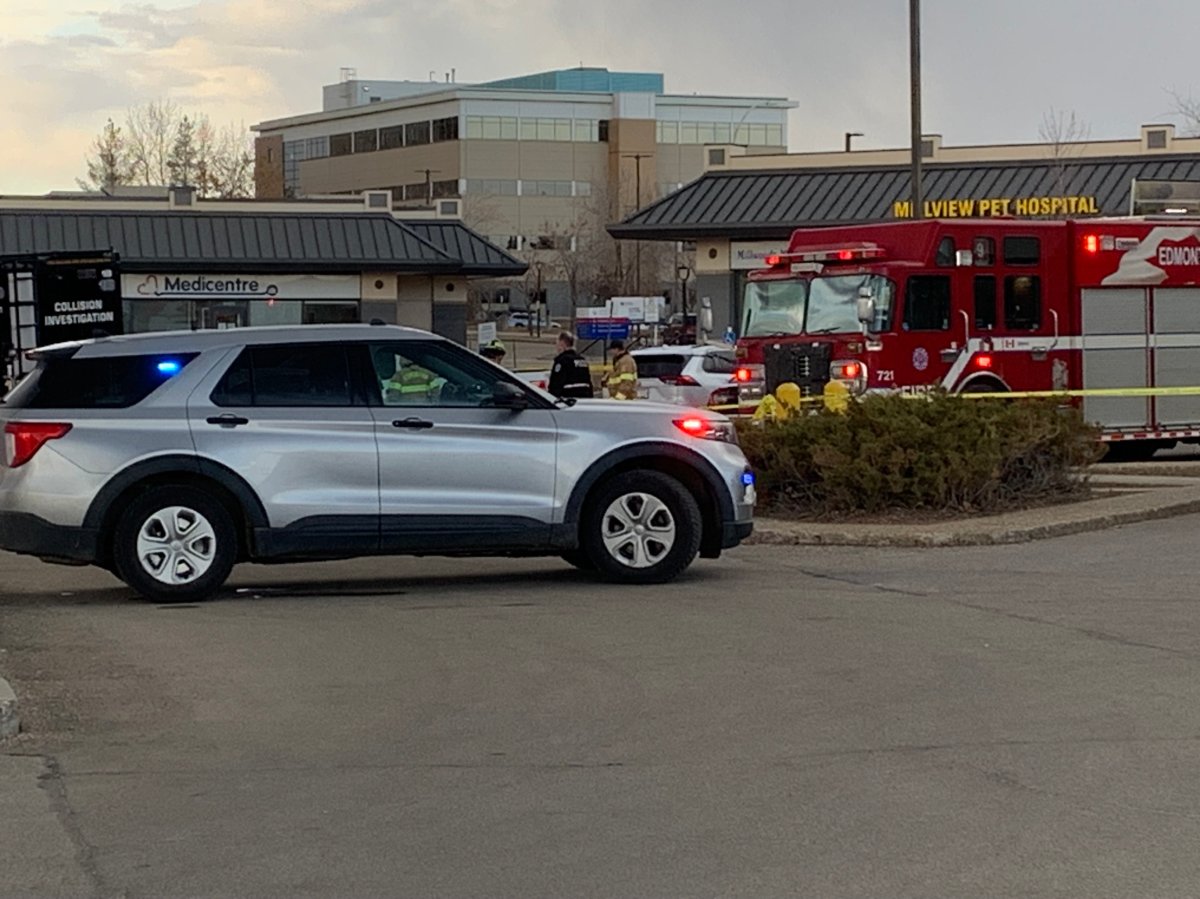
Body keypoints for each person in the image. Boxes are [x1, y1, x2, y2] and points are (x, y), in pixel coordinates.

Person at [547, 331, 594, 400]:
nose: (556, 346)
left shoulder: (562, 361)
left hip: (568, 400)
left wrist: (551, 399)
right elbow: (588, 383)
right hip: (585, 400)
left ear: (562, 343)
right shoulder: (582, 360)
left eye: (556, 343)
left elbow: (556, 384)